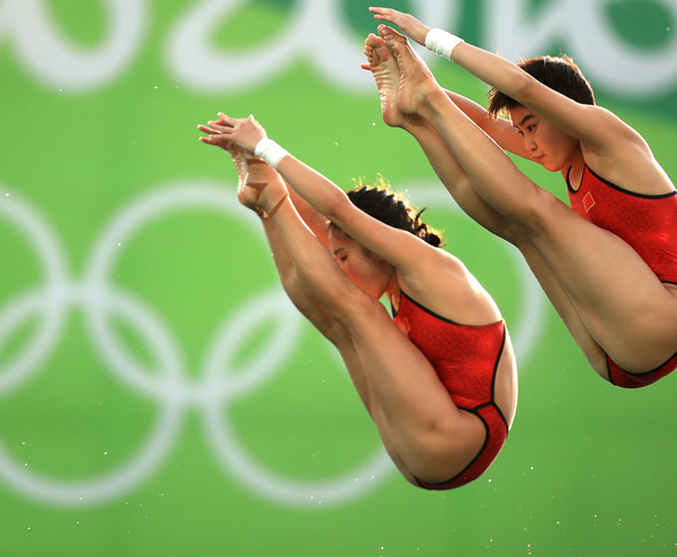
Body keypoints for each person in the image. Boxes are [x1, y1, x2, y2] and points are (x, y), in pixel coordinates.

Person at [364, 6, 677, 388]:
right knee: (517, 229)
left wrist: (431, 39)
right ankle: (413, 121)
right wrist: (409, 89)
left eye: (531, 126)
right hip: (614, 357)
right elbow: (482, 125)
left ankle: (424, 96)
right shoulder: (566, 154)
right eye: (521, 131)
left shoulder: (609, 138)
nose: (527, 144)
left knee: (539, 212)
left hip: (666, 318)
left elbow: (524, 87)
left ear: (559, 109)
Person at [198, 113, 517, 490]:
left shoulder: (429, 267)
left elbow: (336, 209)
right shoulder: (394, 278)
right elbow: (323, 220)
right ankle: (267, 205)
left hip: (456, 438)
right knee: (338, 325)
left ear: (374, 245)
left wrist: (264, 148)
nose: (339, 268)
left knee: (357, 311)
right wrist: (260, 173)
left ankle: (272, 195)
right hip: (417, 451)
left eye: (343, 257)